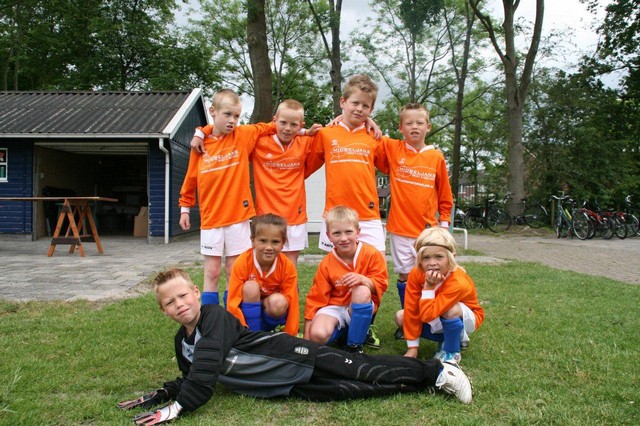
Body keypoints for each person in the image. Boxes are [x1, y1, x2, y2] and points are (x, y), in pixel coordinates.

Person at [117, 269, 473, 425]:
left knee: (367, 369)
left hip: (294, 354)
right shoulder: (182, 341)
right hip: (283, 384)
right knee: (358, 390)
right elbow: (192, 374)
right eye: (170, 302)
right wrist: (163, 393)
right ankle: (424, 385)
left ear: (196, 293)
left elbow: (207, 369)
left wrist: (179, 407)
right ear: (163, 311)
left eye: (183, 295)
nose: (179, 304)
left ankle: (439, 371)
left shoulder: (215, 317)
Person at [179, 89, 275, 306]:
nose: (232, 120)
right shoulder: (200, 144)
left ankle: (233, 314)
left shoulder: (243, 135)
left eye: (237, 116)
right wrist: (185, 207)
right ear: (213, 111)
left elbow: (270, 126)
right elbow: (191, 177)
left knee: (234, 270)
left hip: (238, 217)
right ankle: (211, 318)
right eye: (227, 114)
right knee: (212, 272)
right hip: (211, 218)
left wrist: (302, 130)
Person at [376, 103, 454, 337]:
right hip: (400, 229)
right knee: (405, 276)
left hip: (427, 231)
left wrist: (444, 224)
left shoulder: (436, 157)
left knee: (432, 274)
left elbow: (445, 194)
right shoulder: (393, 148)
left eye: (419, 123)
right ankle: (409, 321)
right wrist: (368, 121)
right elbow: (370, 135)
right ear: (401, 127)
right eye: (409, 123)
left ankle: (437, 318)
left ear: (428, 126)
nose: (414, 127)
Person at [303, 206, 388, 353]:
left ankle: (354, 346)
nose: (343, 238)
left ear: (358, 232)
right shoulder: (326, 263)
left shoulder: (372, 254)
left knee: (361, 290)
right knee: (317, 335)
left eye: (348, 232)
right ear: (328, 236)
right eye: (337, 233)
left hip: (358, 305)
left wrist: (364, 280)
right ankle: (343, 332)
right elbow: (316, 299)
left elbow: (382, 284)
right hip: (334, 307)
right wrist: (306, 337)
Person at [398, 227, 484, 364]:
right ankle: (449, 339)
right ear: (419, 259)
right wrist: (412, 348)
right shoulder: (416, 273)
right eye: (426, 257)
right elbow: (412, 309)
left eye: (439, 257)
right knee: (401, 316)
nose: (432, 263)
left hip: (465, 318)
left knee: (450, 311)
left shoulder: (458, 282)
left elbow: (427, 315)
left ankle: (451, 351)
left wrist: (428, 288)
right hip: (434, 311)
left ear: (451, 257)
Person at [250, 99, 321, 266]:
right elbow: (237, 134)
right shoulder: (259, 142)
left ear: (301, 125)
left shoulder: (307, 142)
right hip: (266, 216)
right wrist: (201, 132)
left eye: (294, 125)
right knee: (264, 265)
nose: (288, 128)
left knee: (290, 265)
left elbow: (333, 134)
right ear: (274, 120)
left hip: (295, 216)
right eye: (283, 123)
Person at [226, 214, 300, 336]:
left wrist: (291, 334)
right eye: (263, 241)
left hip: (270, 311)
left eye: (275, 242)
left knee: (279, 302)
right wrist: (239, 329)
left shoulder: (287, 267)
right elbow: (233, 302)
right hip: (246, 315)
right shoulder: (242, 263)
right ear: (253, 240)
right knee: (250, 287)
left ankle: (266, 331)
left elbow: (293, 302)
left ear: (283, 243)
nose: (269, 247)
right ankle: (252, 334)